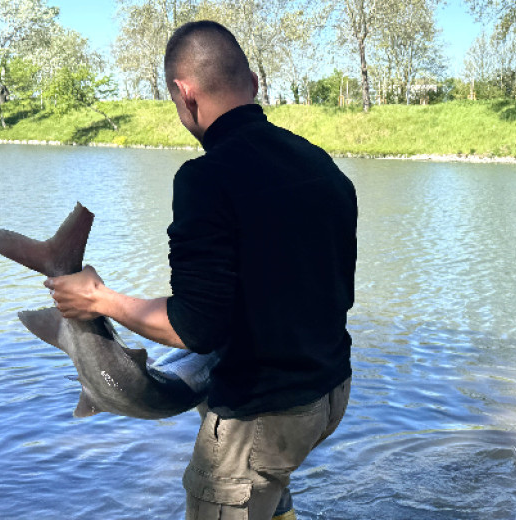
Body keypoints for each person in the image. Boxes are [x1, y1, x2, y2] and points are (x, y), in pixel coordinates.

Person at [44, 20, 358, 520]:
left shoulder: (206, 179)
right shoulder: (319, 163)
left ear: (184, 94)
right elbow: (327, 291)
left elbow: (194, 328)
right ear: (252, 83)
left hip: (263, 416)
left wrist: (98, 299)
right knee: (270, 487)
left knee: (243, 485)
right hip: (329, 393)